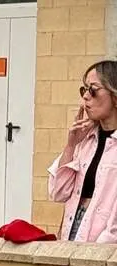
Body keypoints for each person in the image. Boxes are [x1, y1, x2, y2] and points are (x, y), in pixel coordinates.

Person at [49, 59, 117, 243]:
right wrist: (71, 145)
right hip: (74, 229)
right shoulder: (86, 140)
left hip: (104, 242)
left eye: (93, 90)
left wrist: (101, 246)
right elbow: (58, 192)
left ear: (114, 94)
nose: (86, 97)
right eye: (84, 89)